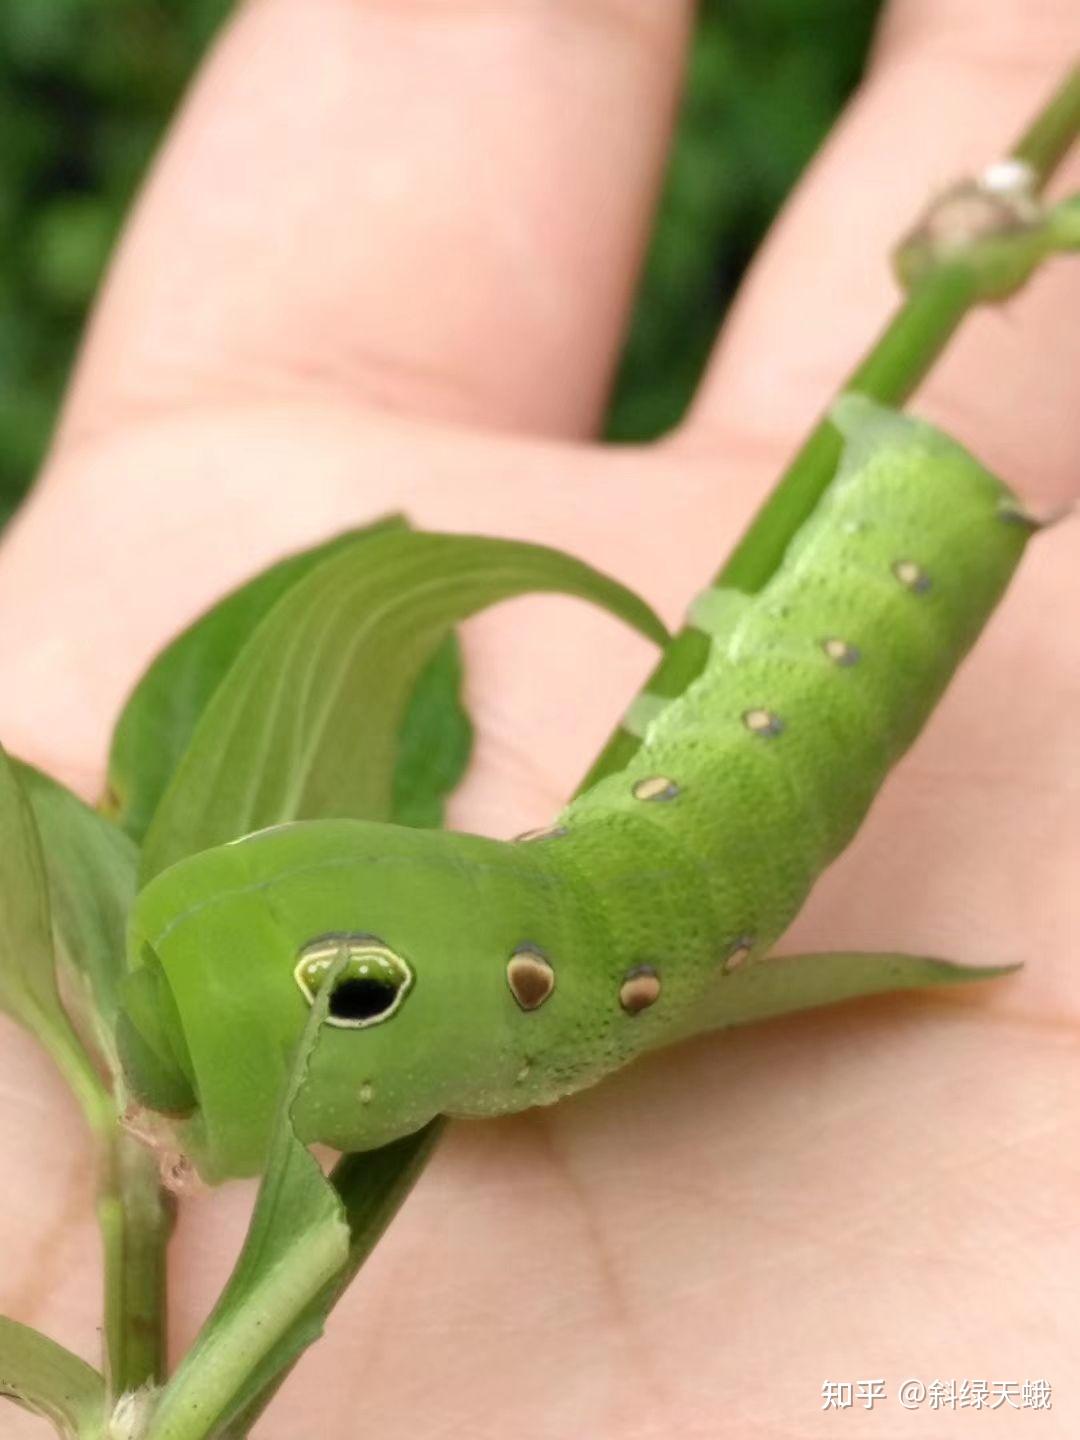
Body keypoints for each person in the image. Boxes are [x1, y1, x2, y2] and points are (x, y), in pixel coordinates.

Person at [0, 3, 1076, 1434]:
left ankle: (921, 520)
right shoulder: (533, 974)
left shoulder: (545, 982)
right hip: (846, 601)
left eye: (357, 1002)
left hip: (882, 579)